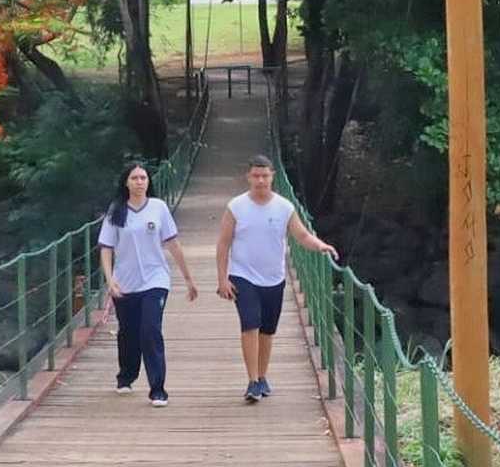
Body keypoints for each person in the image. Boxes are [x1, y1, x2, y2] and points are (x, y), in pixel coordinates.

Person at [215, 154, 338, 403]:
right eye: (256, 176)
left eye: (265, 175)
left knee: (267, 332)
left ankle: (262, 377)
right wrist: (222, 279)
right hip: (243, 275)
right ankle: (252, 381)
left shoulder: (284, 207)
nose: (260, 180)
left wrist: (321, 245)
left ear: (273, 176)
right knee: (250, 325)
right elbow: (223, 243)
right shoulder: (236, 207)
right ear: (248, 177)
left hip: (273, 277)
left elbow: (302, 236)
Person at [97, 161, 198, 407]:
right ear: (126, 183)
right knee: (128, 332)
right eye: (135, 178)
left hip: (156, 279)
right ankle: (127, 375)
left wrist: (188, 279)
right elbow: (106, 249)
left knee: (150, 330)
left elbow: (173, 243)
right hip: (126, 282)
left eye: (143, 178)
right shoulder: (116, 211)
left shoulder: (158, 208)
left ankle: (158, 389)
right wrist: (110, 281)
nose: (140, 182)